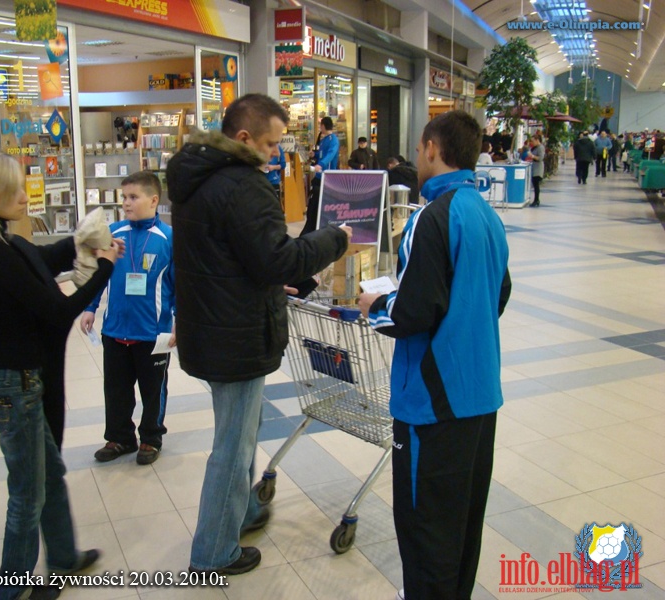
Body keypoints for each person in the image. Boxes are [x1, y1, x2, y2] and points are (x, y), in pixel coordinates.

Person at [166, 93, 351, 575]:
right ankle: (212, 553)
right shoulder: (243, 186)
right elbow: (279, 258)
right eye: (271, 144)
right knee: (234, 446)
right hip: (236, 334)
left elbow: (230, 255)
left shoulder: (194, 178)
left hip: (211, 327)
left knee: (238, 434)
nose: (276, 154)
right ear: (244, 138)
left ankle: (243, 511)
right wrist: (334, 238)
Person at [0, 146, 122, 600]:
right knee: (28, 492)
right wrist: (102, 269)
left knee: (49, 474)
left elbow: (36, 264)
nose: (25, 196)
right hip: (12, 380)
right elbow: (56, 311)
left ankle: (64, 559)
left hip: (10, 376)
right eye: (14, 189)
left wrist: (76, 243)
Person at [357, 110, 511, 600]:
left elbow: (414, 311)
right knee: (462, 524)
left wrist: (374, 305)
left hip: (432, 405)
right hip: (479, 397)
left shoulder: (432, 216)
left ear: (430, 149)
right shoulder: (486, 213)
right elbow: (499, 291)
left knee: (426, 532)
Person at [80, 171, 175, 466]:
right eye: (124, 198)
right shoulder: (113, 234)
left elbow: (182, 284)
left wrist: (181, 321)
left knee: (153, 389)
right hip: (115, 329)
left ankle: (150, 437)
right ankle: (120, 437)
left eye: (133, 197)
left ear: (154, 200)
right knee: (116, 389)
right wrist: (90, 307)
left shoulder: (169, 239)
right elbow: (101, 273)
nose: (126, 204)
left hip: (152, 333)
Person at [300, 116, 339, 236]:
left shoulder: (333, 140)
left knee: (318, 205)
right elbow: (322, 154)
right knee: (313, 205)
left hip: (327, 178)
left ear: (323, 125)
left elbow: (330, 155)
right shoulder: (323, 140)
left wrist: (321, 164)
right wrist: (315, 155)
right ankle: (310, 230)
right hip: (318, 177)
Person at [529, 135, 545, 207]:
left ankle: (536, 200)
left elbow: (540, 158)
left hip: (538, 168)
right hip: (534, 167)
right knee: (535, 184)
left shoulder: (540, 148)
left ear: (537, 140)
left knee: (536, 185)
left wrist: (532, 156)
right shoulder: (535, 147)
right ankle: (536, 199)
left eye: (533, 141)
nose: (532, 143)